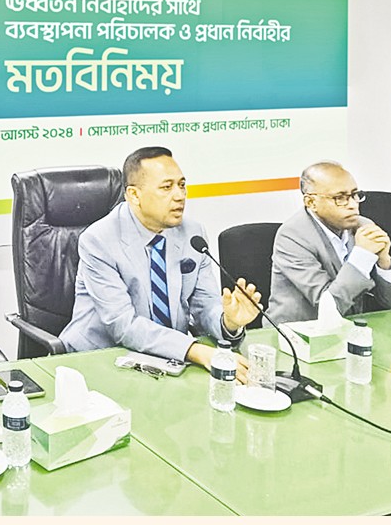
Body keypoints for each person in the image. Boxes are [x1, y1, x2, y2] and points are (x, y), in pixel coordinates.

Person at [59, 146, 260, 378]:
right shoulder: (99, 240)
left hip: (165, 359)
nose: (180, 195)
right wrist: (196, 351)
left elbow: (205, 304)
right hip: (98, 359)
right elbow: (123, 326)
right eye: (167, 187)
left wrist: (229, 322)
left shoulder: (193, 234)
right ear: (134, 195)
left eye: (182, 185)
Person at [268, 161, 391, 324]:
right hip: (297, 334)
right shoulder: (292, 237)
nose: (353, 205)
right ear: (311, 202)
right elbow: (329, 308)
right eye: (340, 198)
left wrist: (384, 262)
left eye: (355, 195)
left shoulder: (363, 226)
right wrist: (362, 256)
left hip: (349, 329)